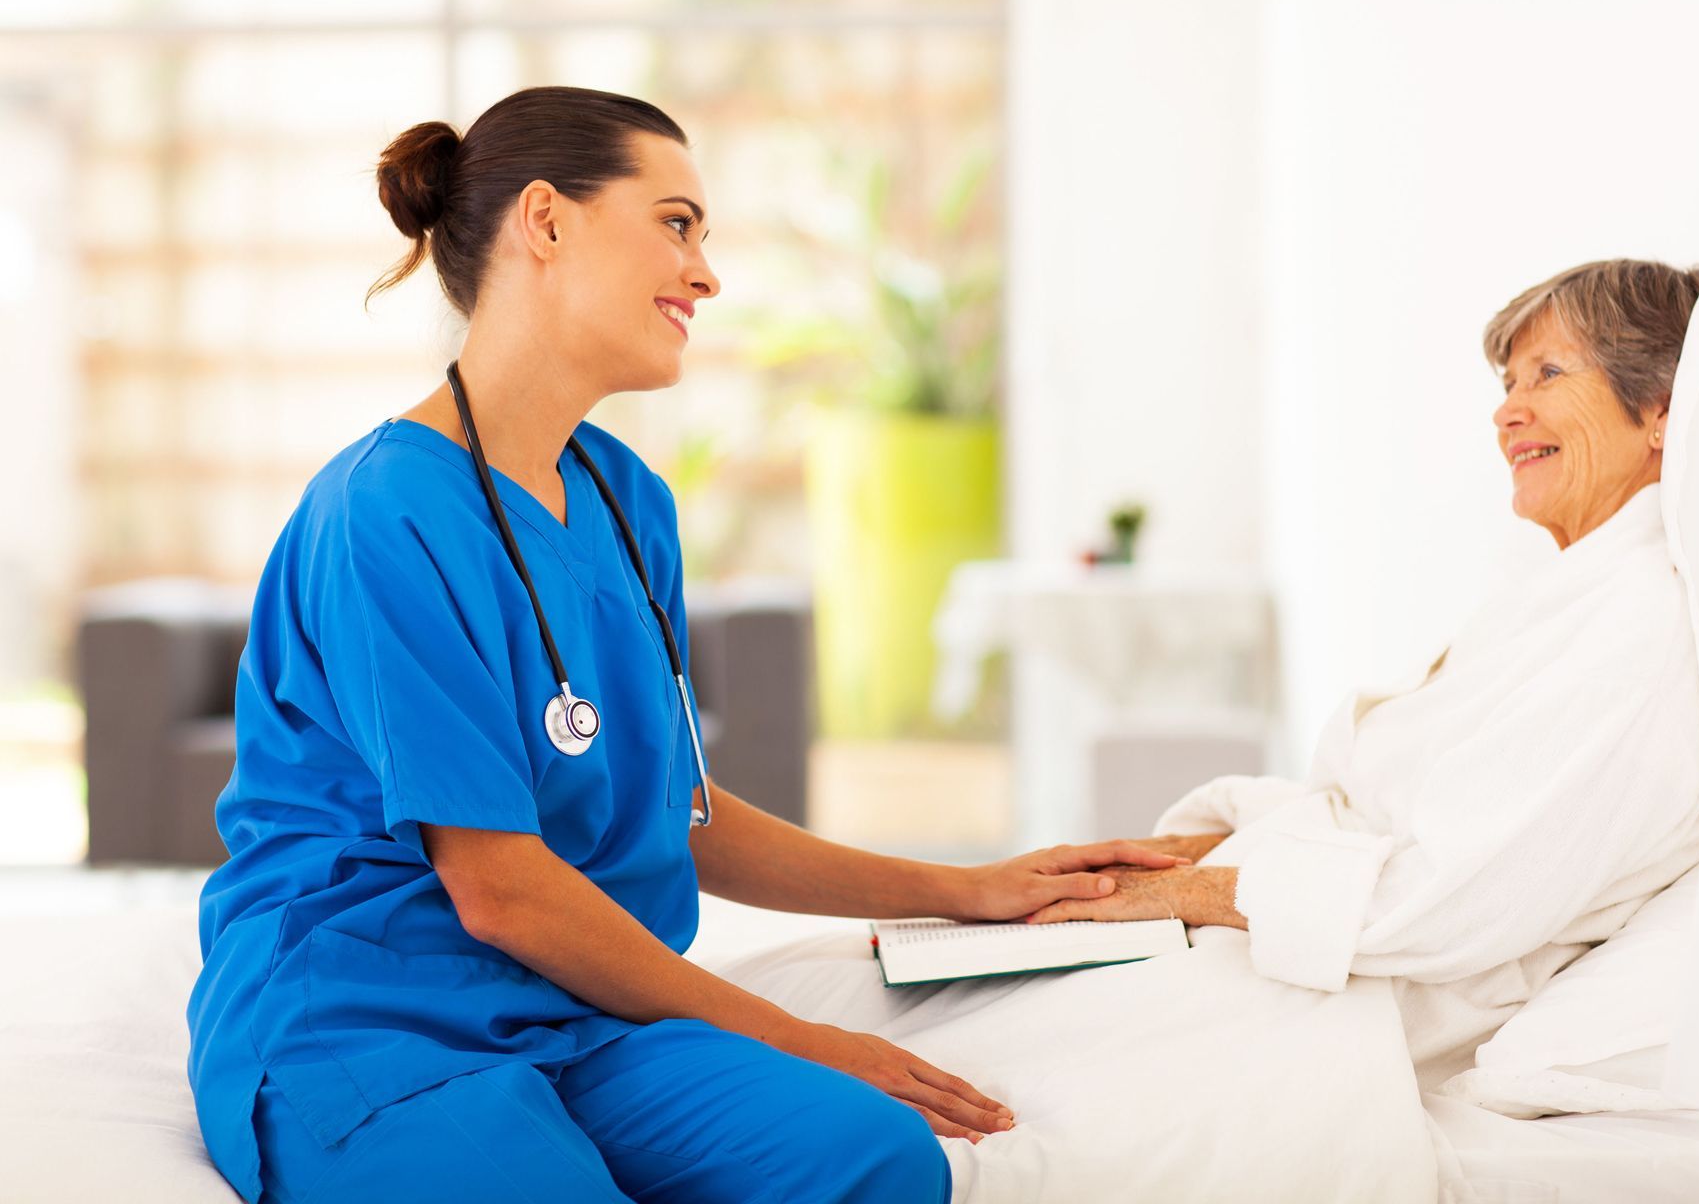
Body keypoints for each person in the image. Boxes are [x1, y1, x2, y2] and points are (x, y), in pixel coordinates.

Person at [184, 85, 1187, 1204]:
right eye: (675, 222)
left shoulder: (625, 499)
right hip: (373, 1020)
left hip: (571, 1012)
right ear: (548, 222)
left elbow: (679, 808)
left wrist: (966, 888)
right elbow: (501, 890)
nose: (706, 272)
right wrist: (804, 1035)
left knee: (878, 1156)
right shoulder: (384, 514)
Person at [1025, 258, 1699, 1091]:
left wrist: (1189, 892)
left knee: (980, 1056)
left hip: (1354, 1005)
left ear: (1660, 410)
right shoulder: (1565, 597)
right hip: (1298, 942)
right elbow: (1385, 814)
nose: (1507, 412)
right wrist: (1165, 858)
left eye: (1548, 372)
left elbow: (1453, 902)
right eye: (1508, 382)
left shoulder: (1639, 632)